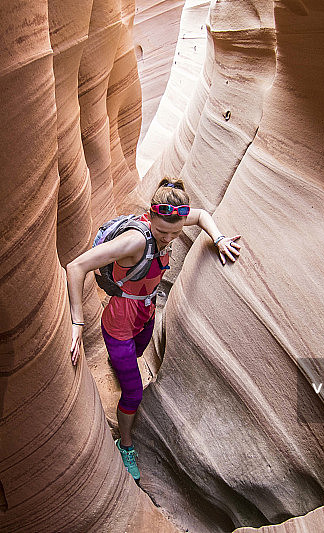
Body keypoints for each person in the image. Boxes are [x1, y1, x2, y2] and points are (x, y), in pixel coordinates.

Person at [65, 178, 242, 480]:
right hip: (119, 324)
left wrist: (219, 238)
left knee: (137, 354)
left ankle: (120, 365)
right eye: (162, 232)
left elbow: (201, 216)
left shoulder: (174, 220)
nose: (167, 238)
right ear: (149, 216)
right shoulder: (134, 241)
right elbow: (76, 267)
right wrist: (77, 323)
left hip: (145, 315)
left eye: (175, 233)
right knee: (133, 393)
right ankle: (125, 444)